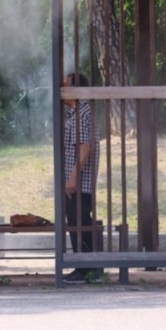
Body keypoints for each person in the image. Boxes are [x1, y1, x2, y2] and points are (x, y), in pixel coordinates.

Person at [61, 73, 102, 284]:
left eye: (65, 85)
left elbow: (84, 147)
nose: (61, 89)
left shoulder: (82, 113)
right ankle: (85, 266)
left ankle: (85, 267)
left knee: (79, 221)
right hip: (76, 180)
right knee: (77, 220)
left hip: (79, 182)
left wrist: (73, 177)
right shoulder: (77, 112)